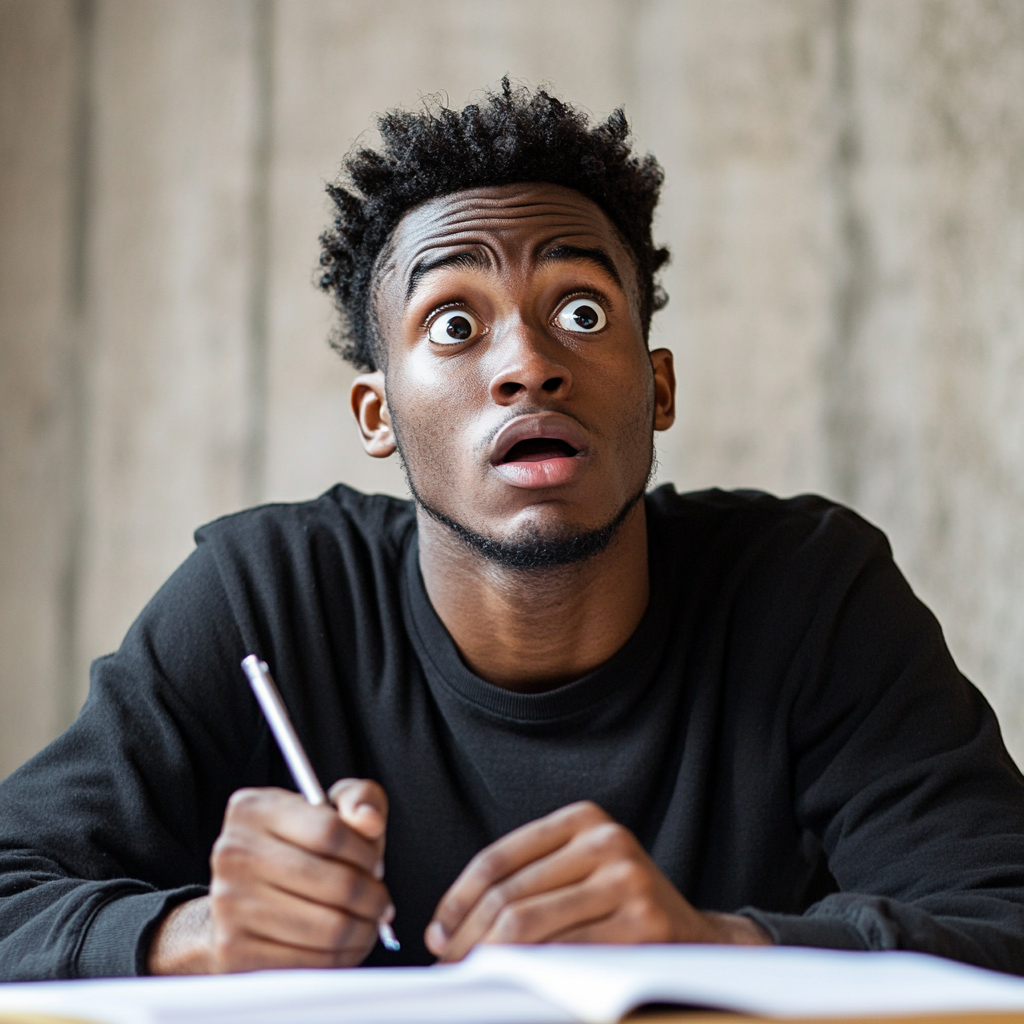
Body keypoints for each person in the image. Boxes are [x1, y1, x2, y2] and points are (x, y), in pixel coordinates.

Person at [2, 80, 1024, 982]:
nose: (527, 362)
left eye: (580, 311)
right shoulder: (263, 597)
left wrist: (713, 944)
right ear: (377, 414)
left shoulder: (809, 596)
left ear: (658, 386)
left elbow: (1002, 918)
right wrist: (197, 933)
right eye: (455, 322)